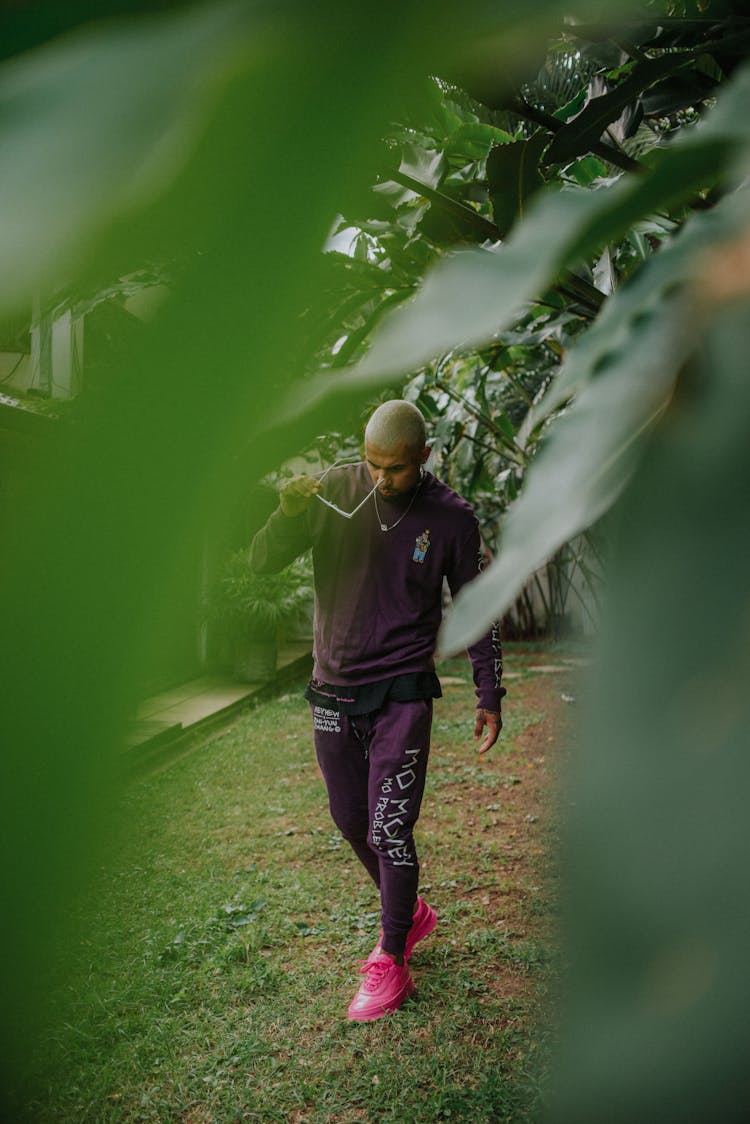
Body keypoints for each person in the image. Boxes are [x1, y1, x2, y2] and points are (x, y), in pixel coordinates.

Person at [249, 400, 505, 1021]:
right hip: (332, 687)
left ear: (423, 456)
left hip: (402, 691)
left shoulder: (450, 518)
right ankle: (410, 912)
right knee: (349, 817)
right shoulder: (334, 489)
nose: (379, 481)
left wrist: (488, 692)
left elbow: (477, 604)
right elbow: (261, 562)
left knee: (390, 826)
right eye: (371, 466)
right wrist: (286, 516)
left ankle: (391, 957)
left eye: (393, 469)